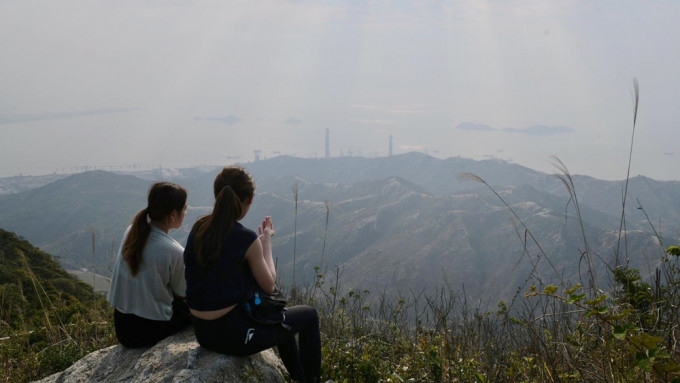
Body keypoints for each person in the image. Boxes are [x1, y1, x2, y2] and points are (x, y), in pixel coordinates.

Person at [184, 166, 321, 383]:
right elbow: (269, 285)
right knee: (309, 315)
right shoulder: (246, 238)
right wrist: (266, 242)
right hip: (233, 336)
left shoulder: (198, 228)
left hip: (202, 331)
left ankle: (299, 378)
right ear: (251, 198)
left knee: (278, 315)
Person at [107, 181, 190, 348]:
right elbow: (183, 293)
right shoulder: (174, 251)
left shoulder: (132, 231)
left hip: (122, 327)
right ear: (173, 214)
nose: (186, 212)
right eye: (184, 208)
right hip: (150, 330)